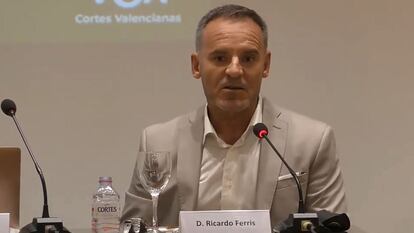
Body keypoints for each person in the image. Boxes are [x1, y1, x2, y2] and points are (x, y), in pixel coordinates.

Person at [122, 4, 347, 228]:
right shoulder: (158, 141)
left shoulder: (312, 142)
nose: (234, 70)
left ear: (266, 65)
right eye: (220, 58)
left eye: (248, 59)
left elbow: (333, 227)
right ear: (196, 65)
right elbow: (132, 226)